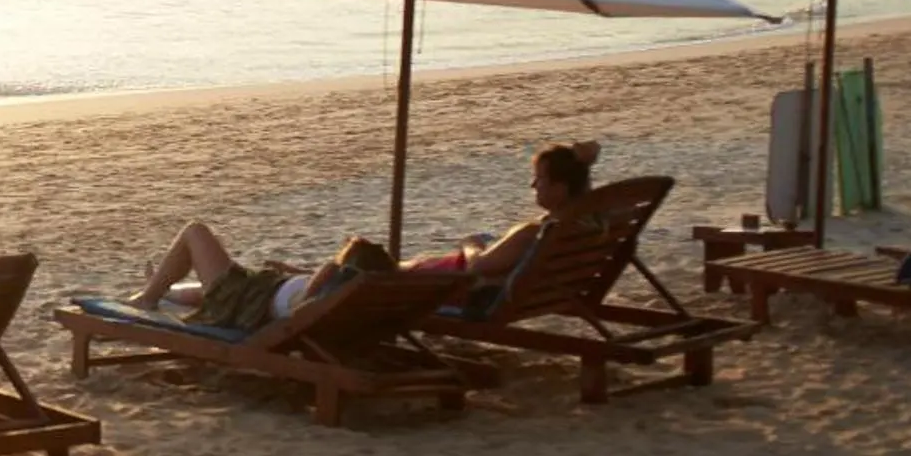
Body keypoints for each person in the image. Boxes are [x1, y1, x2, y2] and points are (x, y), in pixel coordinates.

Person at [128, 222, 397, 330]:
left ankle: (148, 297)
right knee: (217, 285)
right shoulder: (352, 293)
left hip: (246, 303)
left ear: (345, 266)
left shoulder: (331, 278)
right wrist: (294, 273)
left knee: (195, 231)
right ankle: (162, 287)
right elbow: (311, 295)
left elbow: (305, 306)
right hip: (254, 297)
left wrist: (325, 269)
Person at [406, 140, 603, 278]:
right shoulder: (591, 222)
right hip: (548, 291)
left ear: (560, 187)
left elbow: (477, 267)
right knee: (417, 263)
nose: (533, 185)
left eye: (540, 178)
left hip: (449, 289)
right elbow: (584, 191)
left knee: (402, 272)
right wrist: (583, 164)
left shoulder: (533, 233)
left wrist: (470, 245)